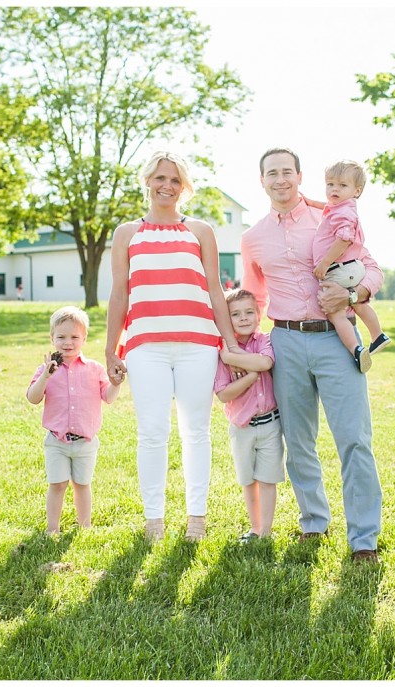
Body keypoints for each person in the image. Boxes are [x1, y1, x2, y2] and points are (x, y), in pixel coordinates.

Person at [240, 147, 383, 564]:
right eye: (272, 173)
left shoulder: (332, 217)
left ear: (300, 177)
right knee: (298, 441)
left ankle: (363, 539)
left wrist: (354, 293)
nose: (280, 179)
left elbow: (372, 269)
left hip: (335, 341)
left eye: (287, 172)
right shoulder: (252, 239)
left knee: (354, 440)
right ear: (262, 181)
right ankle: (314, 523)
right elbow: (253, 297)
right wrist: (239, 344)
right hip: (284, 342)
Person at [105, 150, 241, 542]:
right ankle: (154, 521)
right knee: (151, 432)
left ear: (184, 187)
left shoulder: (200, 231)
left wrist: (229, 343)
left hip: (198, 344)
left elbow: (216, 290)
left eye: (175, 180)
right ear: (147, 181)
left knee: (195, 431)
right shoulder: (127, 233)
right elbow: (119, 294)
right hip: (145, 346)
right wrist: (111, 349)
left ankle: (196, 518)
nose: (167, 186)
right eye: (161, 178)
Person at [27, 306, 123, 535]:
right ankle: (53, 529)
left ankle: (85, 526)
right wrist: (45, 377)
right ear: (52, 338)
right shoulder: (46, 369)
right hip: (57, 441)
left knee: (82, 484)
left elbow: (107, 398)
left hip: (86, 441)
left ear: (84, 338)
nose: (67, 342)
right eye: (61, 337)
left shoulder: (95, 369)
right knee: (58, 484)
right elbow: (33, 398)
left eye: (74, 337)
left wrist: (116, 383)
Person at [213, 289, 284, 543]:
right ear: (225, 319)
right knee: (248, 479)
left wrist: (234, 359)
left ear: (258, 314)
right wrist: (251, 375)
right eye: (235, 314)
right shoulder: (219, 352)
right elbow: (223, 394)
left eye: (249, 312)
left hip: (270, 423)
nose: (243, 318)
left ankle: (265, 530)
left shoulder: (264, 340)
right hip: (241, 426)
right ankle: (254, 528)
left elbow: (266, 363)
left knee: (267, 479)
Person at [311, 159, 391, 373]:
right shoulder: (344, 207)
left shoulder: (342, 213)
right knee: (358, 304)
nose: (334, 189)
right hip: (352, 268)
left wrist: (325, 262)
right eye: (330, 184)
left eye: (342, 185)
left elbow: (344, 237)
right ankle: (378, 335)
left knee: (335, 313)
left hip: (338, 269)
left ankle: (356, 350)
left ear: (357, 191)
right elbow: (328, 208)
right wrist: (309, 202)